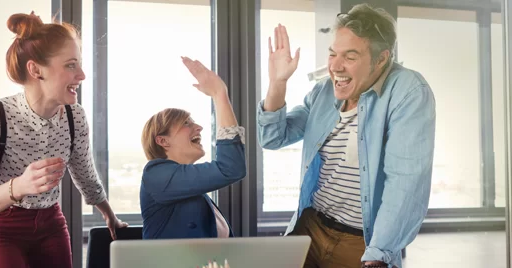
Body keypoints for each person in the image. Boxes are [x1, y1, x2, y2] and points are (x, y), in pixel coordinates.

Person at [257, 4, 435, 268]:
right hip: (310, 228)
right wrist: (278, 83)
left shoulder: (408, 91)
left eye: (350, 57)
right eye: (333, 54)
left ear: (381, 58)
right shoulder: (324, 91)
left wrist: (378, 254)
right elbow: (273, 137)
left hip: (361, 242)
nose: (335, 67)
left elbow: (405, 183)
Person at [0, 11, 127, 268]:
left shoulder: (74, 116)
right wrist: (20, 186)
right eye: (71, 65)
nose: (81, 75)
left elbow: (85, 173)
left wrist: (109, 215)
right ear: (35, 69)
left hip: (50, 225)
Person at [139, 57, 246, 239]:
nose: (198, 127)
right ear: (163, 141)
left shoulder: (194, 190)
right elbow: (230, 168)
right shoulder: (156, 175)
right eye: (186, 123)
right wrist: (219, 94)